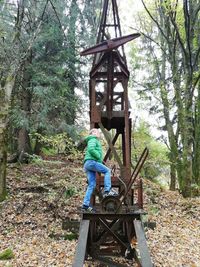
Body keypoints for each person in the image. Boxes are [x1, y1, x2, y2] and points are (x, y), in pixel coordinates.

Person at [82, 128, 117, 212]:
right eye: (97, 132)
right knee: (107, 171)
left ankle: (85, 205)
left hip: (88, 164)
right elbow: (91, 149)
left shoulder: (92, 139)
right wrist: (98, 156)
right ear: (93, 132)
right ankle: (107, 191)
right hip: (91, 162)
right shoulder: (93, 139)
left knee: (91, 185)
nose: (99, 133)